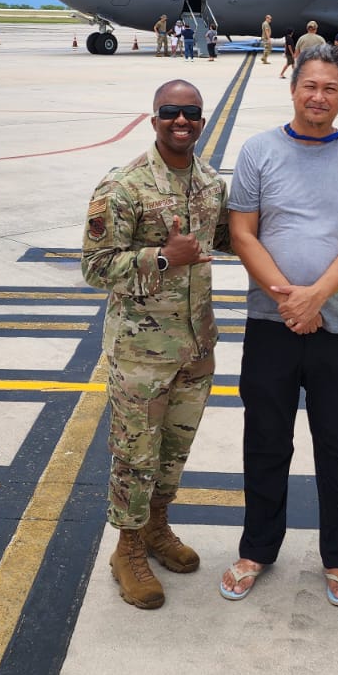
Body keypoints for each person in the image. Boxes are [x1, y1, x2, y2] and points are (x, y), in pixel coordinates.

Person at [219, 45, 338, 607]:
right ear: (293, 88)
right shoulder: (259, 150)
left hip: (333, 327)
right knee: (265, 442)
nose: (319, 96)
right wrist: (288, 299)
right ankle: (257, 549)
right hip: (270, 324)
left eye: (331, 88)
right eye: (310, 85)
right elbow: (243, 233)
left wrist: (316, 297)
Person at [82, 80, 230, 609]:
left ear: (201, 121)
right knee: (134, 457)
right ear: (154, 119)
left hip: (196, 349)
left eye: (191, 113)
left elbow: (237, 236)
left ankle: (157, 528)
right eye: (171, 112)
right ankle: (127, 550)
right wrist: (162, 258)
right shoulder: (123, 186)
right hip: (141, 356)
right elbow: (95, 268)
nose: (181, 121)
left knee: (173, 454)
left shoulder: (211, 184)